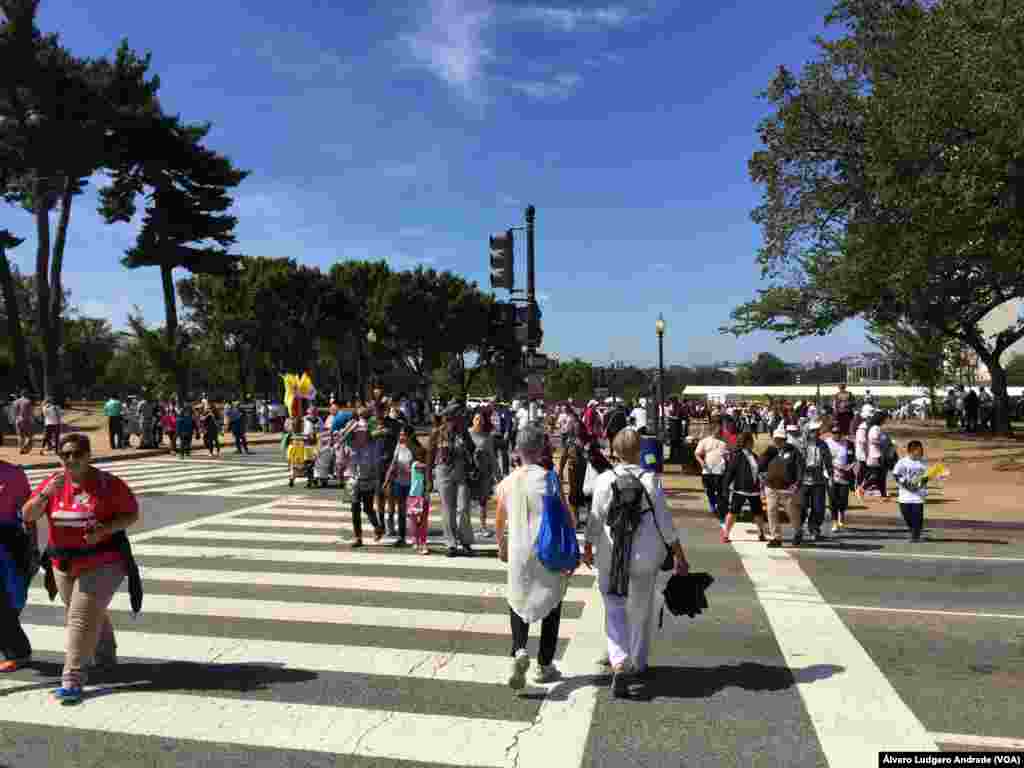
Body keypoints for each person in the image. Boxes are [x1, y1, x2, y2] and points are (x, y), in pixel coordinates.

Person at [21, 433, 141, 704]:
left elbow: (131, 514)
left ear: (88, 455)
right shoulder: (54, 482)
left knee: (79, 617)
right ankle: (106, 654)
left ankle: (73, 679)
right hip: (63, 562)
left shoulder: (107, 484)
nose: (71, 459)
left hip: (104, 561)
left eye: (77, 453)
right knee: (86, 611)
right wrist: (45, 495)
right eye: (65, 455)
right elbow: (27, 515)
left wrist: (106, 529)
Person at [585, 428, 688, 698]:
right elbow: (665, 522)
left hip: (611, 554)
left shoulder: (605, 479)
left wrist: (587, 546)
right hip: (645, 555)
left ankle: (618, 660)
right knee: (641, 610)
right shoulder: (651, 480)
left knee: (614, 606)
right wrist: (678, 553)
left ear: (614, 451)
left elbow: (595, 519)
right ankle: (638, 662)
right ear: (640, 451)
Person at [496, 423, 575, 689]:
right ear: (541, 449)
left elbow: (500, 517)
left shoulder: (508, 482)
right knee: (552, 602)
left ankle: (519, 649)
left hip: (518, 549)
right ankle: (544, 664)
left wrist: (501, 545)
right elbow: (565, 514)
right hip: (546, 549)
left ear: (517, 450)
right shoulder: (549, 479)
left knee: (517, 599)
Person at [427, 403, 476, 558]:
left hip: (461, 470)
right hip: (443, 470)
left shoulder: (463, 433)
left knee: (463, 507)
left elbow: (472, 450)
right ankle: (451, 543)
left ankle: (466, 541)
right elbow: (430, 455)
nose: (459, 419)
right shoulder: (437, 433)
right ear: (448, 418)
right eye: (456, 416)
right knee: (448, 508)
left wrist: (464, 437)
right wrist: (428, 477)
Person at [0, 457, 34, 671]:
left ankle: (18, 652)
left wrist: (34, 547)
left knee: (4, 601)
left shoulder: (12, 474)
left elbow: (28, 514)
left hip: (7, 544)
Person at [759, 425, 803, 547]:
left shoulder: (793, 451)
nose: (777, 441)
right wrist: (766, 454)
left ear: (785, 440)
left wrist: (797, 483)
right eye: (776, 439)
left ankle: (798, 531)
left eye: (780, 439)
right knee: (771, 511)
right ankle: (776, 537)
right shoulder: (771, 451)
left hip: (787, 487)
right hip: (771, 486)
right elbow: (761, 465)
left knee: (792, 512)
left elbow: (800, 468)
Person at [721, 432, 766, 542]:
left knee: (758, 513)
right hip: (740, 490)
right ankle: (726, 534)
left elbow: (758, 472)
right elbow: (730, 473)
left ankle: (761, 533)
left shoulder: (754, 456)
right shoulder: (738, 456)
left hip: (754, 490)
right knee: (733, 512)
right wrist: (725, 488)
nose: (753, 444)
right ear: (747, 443)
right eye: (751, 442)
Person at [381, 425, 422, 547]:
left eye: (403, 434)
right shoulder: (399, 446)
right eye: (400, 434)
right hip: (400, 483)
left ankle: (417, 537)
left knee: (413, 512)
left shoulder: (416, 449)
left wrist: (412, 472)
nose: (401, 437)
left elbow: (421, 467)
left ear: (410, 436)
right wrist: (386, 481)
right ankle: (401, 537)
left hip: (413, 484)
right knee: (401, 510)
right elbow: (393, 464)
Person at [794, 420, 833, 545]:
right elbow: (797, 463)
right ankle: (798, 530)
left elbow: (828, 462)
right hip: (804, 481)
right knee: (802, 507)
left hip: (819, 481)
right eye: (813, 431)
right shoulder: (801, 445)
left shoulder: (823, 445)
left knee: (818, 508)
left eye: (817, 431)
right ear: (808, 432)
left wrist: (830, 475)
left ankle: (814, 528)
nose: (815, 433)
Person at [346, 419, 383, 547]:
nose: (360, 435)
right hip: (354, 482)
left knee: (368, 509)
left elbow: (376, 466)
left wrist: (377, 482)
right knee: (355, 509)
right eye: (358, 433)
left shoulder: (372, 447)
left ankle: (377, 527)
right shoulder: (351, 444)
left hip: (368, 481)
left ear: (367, 434)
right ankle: (358, 537)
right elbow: (342, 436)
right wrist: (352, 427)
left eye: (363, 432)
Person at [695, 417, 729, 530]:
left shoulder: (724, 443)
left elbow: (726, 456)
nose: (719, 431)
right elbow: (697, 454)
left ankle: (720, 511)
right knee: (709, 490)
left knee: (720, 492)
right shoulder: (704, 441)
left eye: (721, 430)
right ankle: (712, 503)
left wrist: (727, 460)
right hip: (707, 471)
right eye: (718, 429)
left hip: (720, 471)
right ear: (713, 429)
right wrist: (702, 463)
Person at [468, 410, 497, 537]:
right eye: (476, 419)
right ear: (472, 421)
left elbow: (492, 457)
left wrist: (498, 474)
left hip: (484, 472)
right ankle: (465, 527)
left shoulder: (488, 437)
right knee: (466, 501)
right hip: (469, 472)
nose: (479, 421)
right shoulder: (467, 434)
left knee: (483, 501)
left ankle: (483, 526)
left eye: (481, 419)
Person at [892, 440, 929, 542]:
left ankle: (915, 534)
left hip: (918, 496)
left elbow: (926, 477)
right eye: (919, 450)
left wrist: (919, 485)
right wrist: (906, 485)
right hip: (905, 496)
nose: (922, 452)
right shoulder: (902, 462)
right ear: (911, 451)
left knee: (917, 516)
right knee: (907, 515)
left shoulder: (923, 462)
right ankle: (913, 529)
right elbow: (896, 474)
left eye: (922, 450)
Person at [823, 424, 855, 530]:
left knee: (843, 498)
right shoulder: (826, 443)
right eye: (834, 433)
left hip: (844, 476)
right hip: (830, 475)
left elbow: (853, 459)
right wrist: (835, 468)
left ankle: (842, 514)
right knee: (832, 498)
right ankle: (835, 522)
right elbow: (824, 459)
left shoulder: (848, 443)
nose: (836, 435)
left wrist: (849, 467)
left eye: (838, 433)